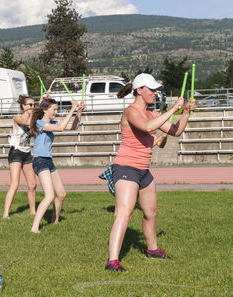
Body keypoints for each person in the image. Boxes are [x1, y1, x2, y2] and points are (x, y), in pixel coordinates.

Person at [105, 73, 196, 272]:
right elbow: (146, 127)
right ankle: (112, 261)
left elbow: (175, 131)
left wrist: (186, 112)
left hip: (143, 170)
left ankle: (152, 250)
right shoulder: (131, 112)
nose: (155, 93)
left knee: (150, 212)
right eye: (152, 89)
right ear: (139, 90)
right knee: (125, 213)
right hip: (126, 168)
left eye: (156, 90)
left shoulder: (152, 113)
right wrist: (173, 108)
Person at [29, 98, 84, 233]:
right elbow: (60, 128)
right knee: (49, 196)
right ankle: (34, 227)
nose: (56, 112)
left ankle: (55, 221)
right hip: (40, 160)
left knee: (61, 194)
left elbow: (73, 127)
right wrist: (72, 109)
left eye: (56, 109)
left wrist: (79, 112)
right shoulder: (39, 123)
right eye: (53, 109)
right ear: (45, 110)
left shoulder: (52, 122)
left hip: (48, 160)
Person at [2, 95, 37, 219]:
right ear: (23, 106)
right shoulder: (17, 118)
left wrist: (43, 106)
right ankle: (6, 214)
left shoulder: (33, 119)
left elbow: (34, 129)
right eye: (30, 105)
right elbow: (26, 122)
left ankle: (33, 212)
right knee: (15, 184)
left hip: (27, 153)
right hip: (16, 152)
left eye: (33, 105)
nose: (32, 107)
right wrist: (33, 115)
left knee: (33, 184)